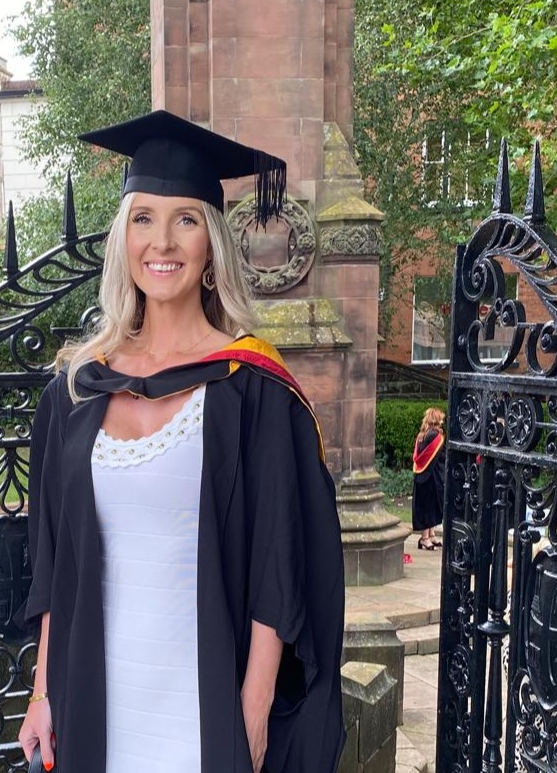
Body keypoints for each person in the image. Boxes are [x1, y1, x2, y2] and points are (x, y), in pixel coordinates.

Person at [18, 110, 345, 773]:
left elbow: (278, 565)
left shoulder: (253, 389)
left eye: (185, 219)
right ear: (122, 238)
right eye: (143, 218)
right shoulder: (75, 392)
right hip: (94, 692)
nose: (161, 241)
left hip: (205, 698)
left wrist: (253, 709)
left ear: (209, 247)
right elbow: (54, 558)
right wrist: (42, 692)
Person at [411, 407, 446, 550]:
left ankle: (431, 535)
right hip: (430, 477)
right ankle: (424, 538)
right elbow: (440, 458)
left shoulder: (422, 434)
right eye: (441, 418)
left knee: (430, 506)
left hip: (423, 476)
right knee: (428, 506)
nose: (443, 421)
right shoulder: (434, 435)